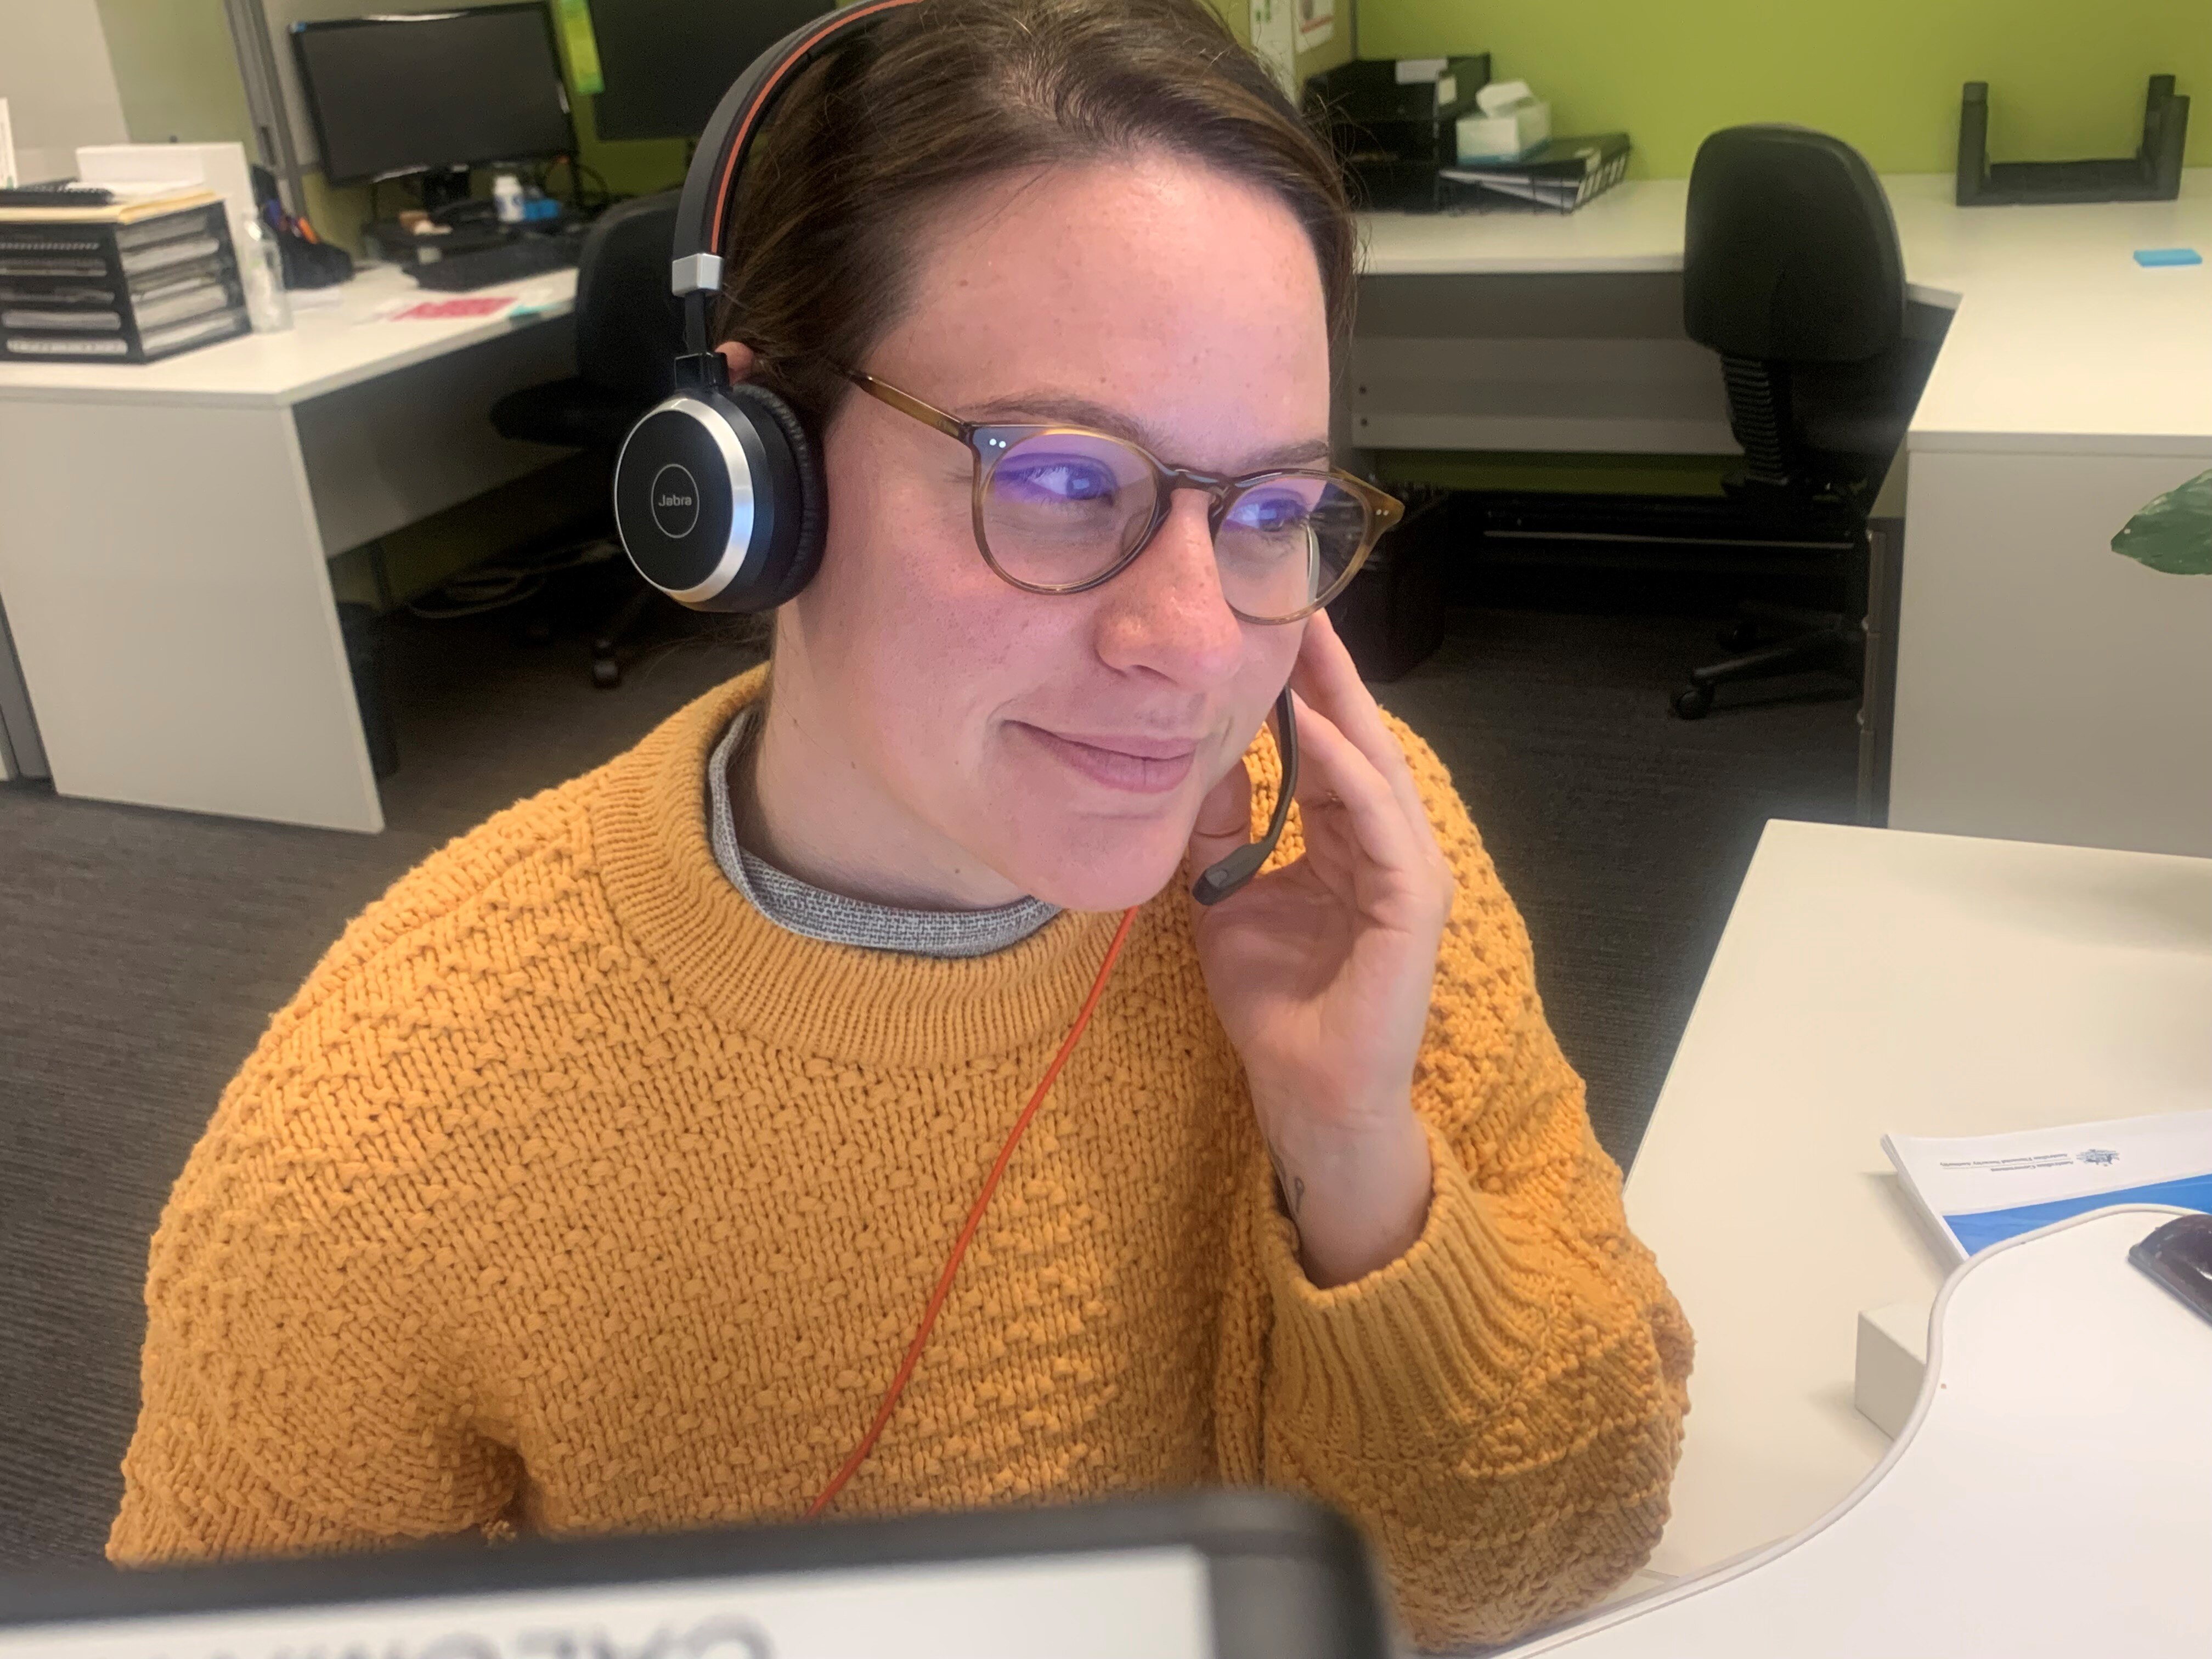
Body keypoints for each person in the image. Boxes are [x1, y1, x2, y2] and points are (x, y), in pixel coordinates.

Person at [106, 0, 1691, 1645]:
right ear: (752, 476)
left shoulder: (1356, 868)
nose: (1199, 646)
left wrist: (1357, 1158)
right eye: (1065, 481)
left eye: (1273, 509)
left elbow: (1556, 1559)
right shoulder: (396, 1107)